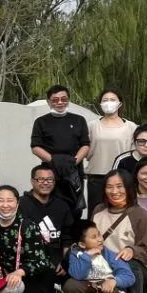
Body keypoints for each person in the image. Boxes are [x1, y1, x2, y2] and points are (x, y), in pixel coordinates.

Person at [0, 185, 58, 293]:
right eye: (0, 200)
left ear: (17, 203)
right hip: (7, 276)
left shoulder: (27, 225)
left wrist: (19, 272)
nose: (5, 205)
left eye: (10, 201)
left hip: (33, 275)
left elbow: (40, 260)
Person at [92, 170, 147, 293]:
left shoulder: (140, 215)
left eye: (120, 186)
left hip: (136, 269)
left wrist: (133, 250)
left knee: (129, 264)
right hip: (104, 265)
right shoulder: (98, 210)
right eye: (109, 187)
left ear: (129, 188)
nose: (114, 191)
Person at [30, 84, 90, 222]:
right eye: (55, 100)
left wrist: (73, 162)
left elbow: (85, 145)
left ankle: (73, 233)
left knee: (75, 208)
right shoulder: (41, 122)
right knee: (50, 205)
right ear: (48, 102)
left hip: (74, 170)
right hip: (50, 171)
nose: (60, 102)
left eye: (64, 99)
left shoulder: (79, 120)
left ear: (68, 100)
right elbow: (35, 147)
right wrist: (55, 161)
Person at [65, 221, 135, 293]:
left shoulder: (108, 254)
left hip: (108, 286)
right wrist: (87, 256)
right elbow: (77, 275)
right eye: (94, 237)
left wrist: (114, 281)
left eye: (99, 234)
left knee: (110, 292)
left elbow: (129, 275)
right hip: (90, 287)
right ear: (82, 244)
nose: (100, 239)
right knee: (71, 284)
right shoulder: (76, 254)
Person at [86, 89, 137, 213]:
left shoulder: (131, 127)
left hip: (121, 178)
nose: (108, 103)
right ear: (100, 104)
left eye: (112, 100)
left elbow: (134, 154)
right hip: (96, 177)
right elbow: (84, 148)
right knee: (96, 213)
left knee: (121, 212)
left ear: (120, 104)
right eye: (105, 100)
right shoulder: (91, 126)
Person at [19, 164, 74, 275]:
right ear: (32, 181)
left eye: (49, 179)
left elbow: (67, 237)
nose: (45, 183)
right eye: (40, 179)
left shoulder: (62, 205)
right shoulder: (20, 204)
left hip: (56, 265)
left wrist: (65, 263)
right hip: (28, 265)